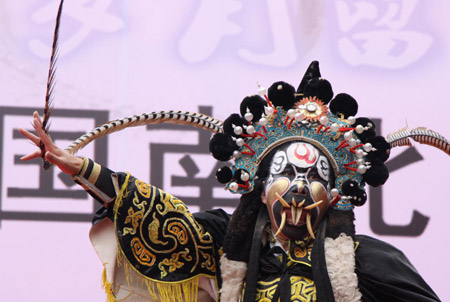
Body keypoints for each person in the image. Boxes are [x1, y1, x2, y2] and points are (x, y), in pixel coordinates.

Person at [19, 62, 442, 302]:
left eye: (313, 177)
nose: (297, 188)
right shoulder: (225, 246)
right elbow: (161, 219)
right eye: (284, 174)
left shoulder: (372, 263)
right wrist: (80, 169)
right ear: (258, 186)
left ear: (335, 195)